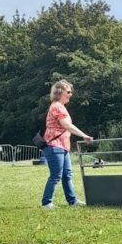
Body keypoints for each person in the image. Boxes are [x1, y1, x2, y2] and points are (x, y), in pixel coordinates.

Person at [41, 79, 93, 209]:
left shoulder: (60, 106)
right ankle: (46, 203)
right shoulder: (57, 106)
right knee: (56, 175)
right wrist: (84, 135)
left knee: (67, 175)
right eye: (68, 92)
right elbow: (67, 125)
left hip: (62, 146)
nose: (71, 94)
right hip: (54, 146)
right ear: (60, 93)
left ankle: (72, 201)